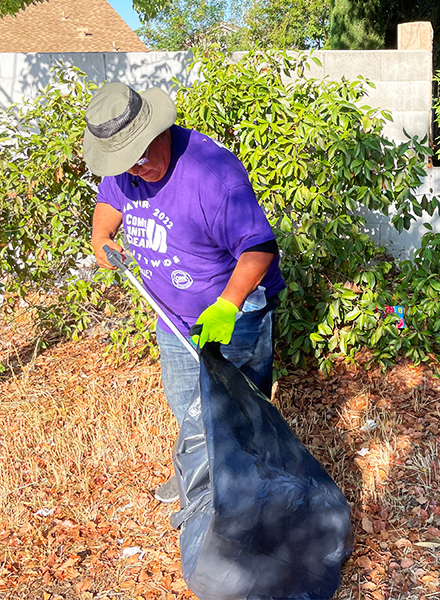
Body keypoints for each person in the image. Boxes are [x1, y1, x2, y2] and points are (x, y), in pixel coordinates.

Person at [84, 82, 286, 503]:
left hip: (234, 311)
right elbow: (109, 202)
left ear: (157, 130)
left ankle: (248, 487)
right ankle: (197, 470)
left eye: (139, 160)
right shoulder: (127, 169)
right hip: (171, 313)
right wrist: (101, 237)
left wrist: (227, 307)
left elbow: (259, 248)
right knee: (186, 404)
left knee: (240, 409)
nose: (135, 171)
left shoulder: (212, 176)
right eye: (125, 165)